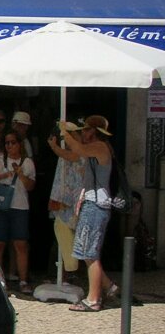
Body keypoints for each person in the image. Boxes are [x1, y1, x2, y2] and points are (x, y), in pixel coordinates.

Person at [58, 115, 121, 312]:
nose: (83, 133)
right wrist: (58, 145)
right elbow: (74, 154)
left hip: (96, 206)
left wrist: (65, 133)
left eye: (86, 130)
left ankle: (93, 300)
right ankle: (109, 286)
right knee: (84, 252)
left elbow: (78, 149)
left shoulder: (100, 147)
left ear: (95, 132)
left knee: (90, 254)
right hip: (91, 205)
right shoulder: (95, 149)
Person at [0, 130, 37, 294]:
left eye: (13, 142)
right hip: (0, 206)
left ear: (20, 144)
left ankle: (23, 280)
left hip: (20, 206)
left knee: (20, 244)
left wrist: (20, 174)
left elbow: (31, 187)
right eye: (7, 143)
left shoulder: (27, 162)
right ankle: (0, 281)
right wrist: (5, 174)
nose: (10, 146)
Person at [46, 121, 87, 286]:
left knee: (74, 237)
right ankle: (57, 274)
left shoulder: (82, 152)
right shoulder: (65, 155)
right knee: (61, 236)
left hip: (76, 202)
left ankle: (72, 272)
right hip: (64, 201)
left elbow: (74, 155)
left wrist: (55, 147)